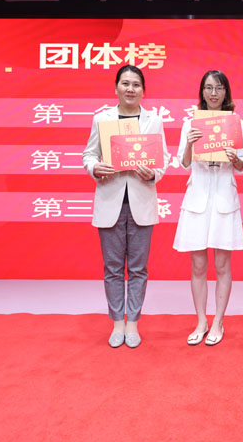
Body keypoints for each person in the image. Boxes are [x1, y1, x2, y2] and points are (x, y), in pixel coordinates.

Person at [83, 65, 170, 348]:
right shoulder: (102, 119)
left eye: (136, 84)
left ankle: (132, 321)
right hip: (110, 200)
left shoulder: (153, 121)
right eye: (125, 83)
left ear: (143, 90)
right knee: (112, 267)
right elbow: (89, 154)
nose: (130, 89)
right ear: (116, 88)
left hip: (141, 201)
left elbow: (162, 159)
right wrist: (95, 167)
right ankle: (116, 323)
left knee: (138, 267)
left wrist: (153, 173)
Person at [173, 70, 243, 346]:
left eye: (218, 88)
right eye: (208, 88)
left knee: (222, 265)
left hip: (224, 199)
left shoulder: (236, 123)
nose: (213, 93)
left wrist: (234, 158)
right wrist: (190, 144)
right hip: (198, 199)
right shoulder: (190, 123)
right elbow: (183, 163)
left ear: (226, 92)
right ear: (202, 92)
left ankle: (218, 321)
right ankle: (201, 321)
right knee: (197, 265)